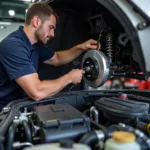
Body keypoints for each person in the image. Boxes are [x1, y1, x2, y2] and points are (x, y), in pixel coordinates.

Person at [0, 2, 100, 109]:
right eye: (50, 27)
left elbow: (57, 58)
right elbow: (37, 92)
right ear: (36, 21)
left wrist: (81, 47)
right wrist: (70, 77)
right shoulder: (13, 46)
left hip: (19, 106)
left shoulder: (35, 45)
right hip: (4, 113)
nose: (53, 34)